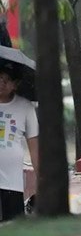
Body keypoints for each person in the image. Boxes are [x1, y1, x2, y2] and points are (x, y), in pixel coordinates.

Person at [0, 64, 38, 222]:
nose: (1, 83)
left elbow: (34, 147)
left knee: (13, 226)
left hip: (13, 184)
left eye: (6, 80)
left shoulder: (25, 107)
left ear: (16, 84)